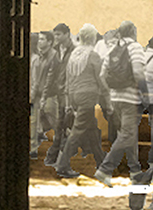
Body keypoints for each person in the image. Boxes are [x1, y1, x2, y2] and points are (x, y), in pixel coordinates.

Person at [51, 24, 109, 179]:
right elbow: (100, 79)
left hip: (74, 95)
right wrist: (107, 97)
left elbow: (68, 78)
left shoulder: (74, 54)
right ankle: (63, 165)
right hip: (88, 96)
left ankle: (102, 162)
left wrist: (69, 100)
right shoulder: (93, 55)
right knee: (77, 131)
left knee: (92, 129)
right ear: (93, 38)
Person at [95, 20, 147, 185]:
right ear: (134, 32)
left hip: (115, 98)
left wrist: (109, 93)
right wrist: (145, 93)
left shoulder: (112, 49)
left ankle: (135, 171)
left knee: (128, 135)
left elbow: (102, 75)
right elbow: (138, 73)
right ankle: (105, 169)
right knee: (127, 134)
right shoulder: (135, 48)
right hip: (130, 99)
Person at [43, 23, 75, 166]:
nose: (56, 37)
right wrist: (45, 94)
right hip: (59, 94)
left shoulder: (74, 51)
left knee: (66, 126)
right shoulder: (56, 51)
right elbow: (51, 73)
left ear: (67, 35)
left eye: (58, 34)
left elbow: (74, 74)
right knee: (61, 126)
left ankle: (59, 158)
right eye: (55, 34)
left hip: (70, 94)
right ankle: (57, 158)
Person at [30, 30, 59, 158]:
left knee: (53, 120)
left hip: (49, 95)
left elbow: (50, 79)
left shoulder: (54, 56)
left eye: (42, 39)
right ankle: (33, 149)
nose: (39, 41)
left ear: (50, 42)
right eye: (39, 39)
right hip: (38, 94)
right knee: (33, 121)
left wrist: (44, 96)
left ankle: (65, 142)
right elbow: (35, 78)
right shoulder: (38, 57)